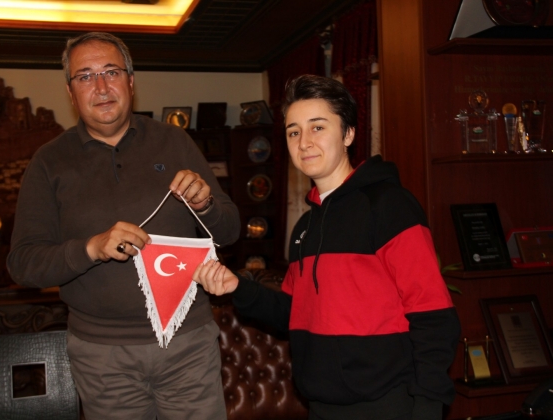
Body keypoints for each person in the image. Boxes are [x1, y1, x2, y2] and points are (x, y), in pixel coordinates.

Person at [193, 74, 461, 420]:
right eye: (293, 132)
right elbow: (293, 313)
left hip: (388, 405)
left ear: (348, 134)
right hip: (320, 406)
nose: (304, 142)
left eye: (317, 127)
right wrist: (237, 287)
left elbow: (434, 315)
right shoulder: (305, 227)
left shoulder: (389, 206)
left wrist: (427, 408)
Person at [7, 32, 240, 420]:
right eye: (85, 76)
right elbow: (23, 264)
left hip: (188, 345)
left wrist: (206, 205)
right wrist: (91, 249)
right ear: (70, 91)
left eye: (111, 72)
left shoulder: (175, 142)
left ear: (130, 82)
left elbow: (230, 232)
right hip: (101, 358)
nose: (101, 87)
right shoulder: (48, 162)